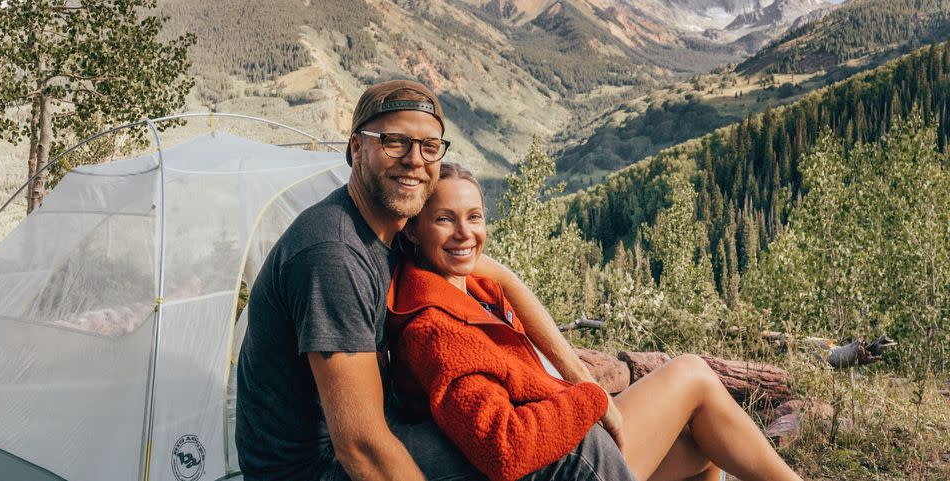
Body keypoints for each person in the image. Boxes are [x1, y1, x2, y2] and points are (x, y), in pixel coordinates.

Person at [234, 79, 633, 481]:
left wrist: (581, 380)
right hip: (316, 471)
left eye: (429, 147)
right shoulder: (335, 255)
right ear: (356, 148)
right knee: (576, 450)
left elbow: (502, 277)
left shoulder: (397, 229)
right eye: (395, 142)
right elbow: (361, 447)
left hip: (383, 434)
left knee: (544, 429)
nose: (414, 160)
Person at [388, 162, 807, 481]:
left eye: (474, 217)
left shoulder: (470, 288)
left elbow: (503, 279)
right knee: (693, 375)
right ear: (412, 231)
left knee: (703, 446)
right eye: (445, 219)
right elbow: (505, 447)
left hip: (562, 444)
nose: (465, 233)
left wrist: (486, 267)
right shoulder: (434, 329)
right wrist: (590, 397)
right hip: (558, 464)